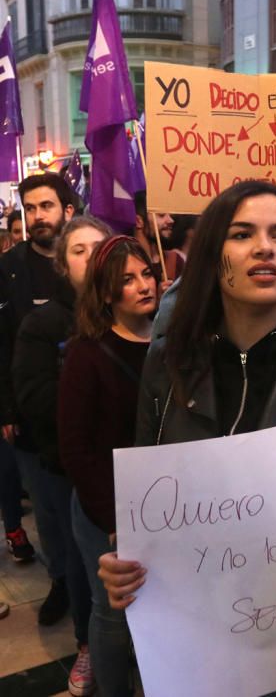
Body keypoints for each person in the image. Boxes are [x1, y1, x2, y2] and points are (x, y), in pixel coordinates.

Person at [98, 181, 276, 697]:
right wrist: (123, 564)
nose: (264, 248)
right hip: (189, 646)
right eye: (242, 233)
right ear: (213, 254)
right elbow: (141, 509)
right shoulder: (166, 364)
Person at [13, 215, 112, 696]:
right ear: (62, 264)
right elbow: (34, 396)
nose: (92, 257)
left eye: (100, 247)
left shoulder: (133, 311)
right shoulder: (44, 322)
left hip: (127, 469)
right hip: (70, 466)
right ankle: (86, 646)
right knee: (82, 564)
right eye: (79, 250)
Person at [58, 236, 157, 697]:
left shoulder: (170, 341)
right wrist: (113, 519)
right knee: (113, 610)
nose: (143, 285)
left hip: (162, 501)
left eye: (147, 274)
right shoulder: (87, 353)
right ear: (106, 292)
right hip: (106, 507)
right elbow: (76, 449)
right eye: (128, 280)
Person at [0, 172, 75, 625]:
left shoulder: (87, 261)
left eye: (45, 207)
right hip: (28, 416)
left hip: (85, 411)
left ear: (68, 210)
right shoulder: (8, 270)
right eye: (29, 209)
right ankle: (62, 581)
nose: (36, 217)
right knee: (47, 511)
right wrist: (6, 408)